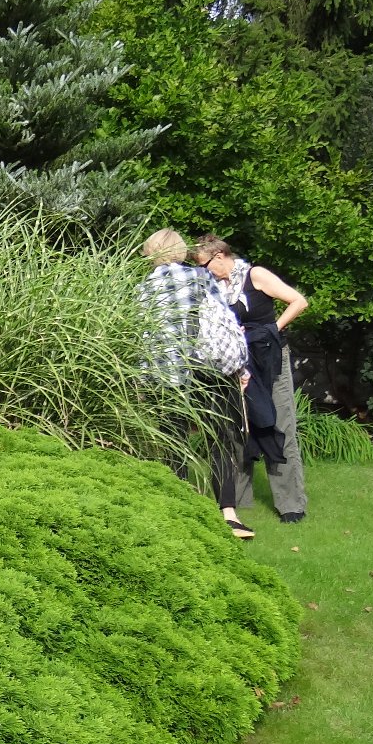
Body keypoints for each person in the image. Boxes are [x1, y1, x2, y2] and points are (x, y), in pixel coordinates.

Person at [137, 228, 255, 539]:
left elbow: (145, 338)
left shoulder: (146, 288)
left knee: (175, 440)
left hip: (170, 373)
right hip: (211, 370)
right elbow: (224, 323)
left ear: (152, 253)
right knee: (219, 439)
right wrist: (241, 368)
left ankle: (182, 511)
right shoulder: (202, 278)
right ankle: (228, 514)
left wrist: (142, 379)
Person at [193, 235, 310, 523]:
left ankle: (291, 505)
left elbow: (298, 302)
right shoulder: (215, 287)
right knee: (237, 428)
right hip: (236, 363)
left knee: (280, 424)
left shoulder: (255, 275)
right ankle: (236, 501)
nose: (204, 271)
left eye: (205, 264)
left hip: (269, 360)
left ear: (220, 255)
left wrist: (269, 330)